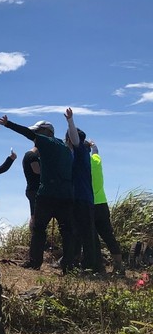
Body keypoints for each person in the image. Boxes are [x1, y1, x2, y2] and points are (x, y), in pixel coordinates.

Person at [0, 115, 73, 270]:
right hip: (66, 194)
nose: (36, 135)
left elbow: (27, 133)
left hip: (47, 193)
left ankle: (34, 263)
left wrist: (8, 124)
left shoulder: (47, 142)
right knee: (67, 230)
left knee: (39, 229)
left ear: (48, 132)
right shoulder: (65, 147)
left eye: (39, 132)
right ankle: (68, 264)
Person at [65, 108, 101, 273]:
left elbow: (74, 138)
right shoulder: (85, 152)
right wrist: (94, 147)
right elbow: (93, 150)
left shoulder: (79, 151)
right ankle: (88, 263)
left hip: (80, 197)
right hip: (85, 198)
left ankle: (88, 265)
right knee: (85, 232)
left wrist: (70, 121)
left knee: (82, 232)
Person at [89, 140, 125, 275]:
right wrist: (93, 145)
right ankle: (119, 265)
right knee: (108, 236)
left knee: (91, 237)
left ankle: (97, 266)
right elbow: (96, 152)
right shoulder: (96, 161)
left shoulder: (81, 164)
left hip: (88, 204)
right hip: (102, 203)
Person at [21, 146, 40, 231]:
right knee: (35, 215)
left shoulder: (28, 155)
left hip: (32, 189)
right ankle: (34, 235)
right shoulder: (32, 156)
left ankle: (33, 234)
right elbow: (37, 170)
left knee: (34, 214)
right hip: (34, 189)